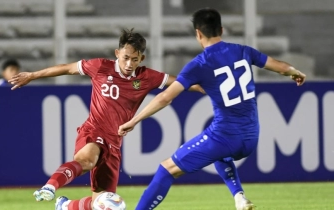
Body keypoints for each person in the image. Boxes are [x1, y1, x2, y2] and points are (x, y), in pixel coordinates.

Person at [118, 8, 306, 210]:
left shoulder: (200, 64)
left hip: (224, 136)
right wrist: (295, 72)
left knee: (166, 169)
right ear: (222, 30)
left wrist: (134, 120)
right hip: (251, 138)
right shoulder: (243, 51)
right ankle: (239, 197)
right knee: (220, 155)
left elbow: (165, 97)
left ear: (198, 33)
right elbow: (281, 66)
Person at [8, 29, 204, 210]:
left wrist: (211, 88)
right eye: (126, 58)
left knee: (101, 204)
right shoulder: (100, 66)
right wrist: (32, 75)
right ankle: (50, 187)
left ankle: (66, 206)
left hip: (114, 144)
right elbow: (67, 69)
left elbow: (182, 83)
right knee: (86, 160)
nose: (129, 64)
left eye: (134, 60)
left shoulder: (146, 77)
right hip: (93, 131)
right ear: (117, 53)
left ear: (141, 58)